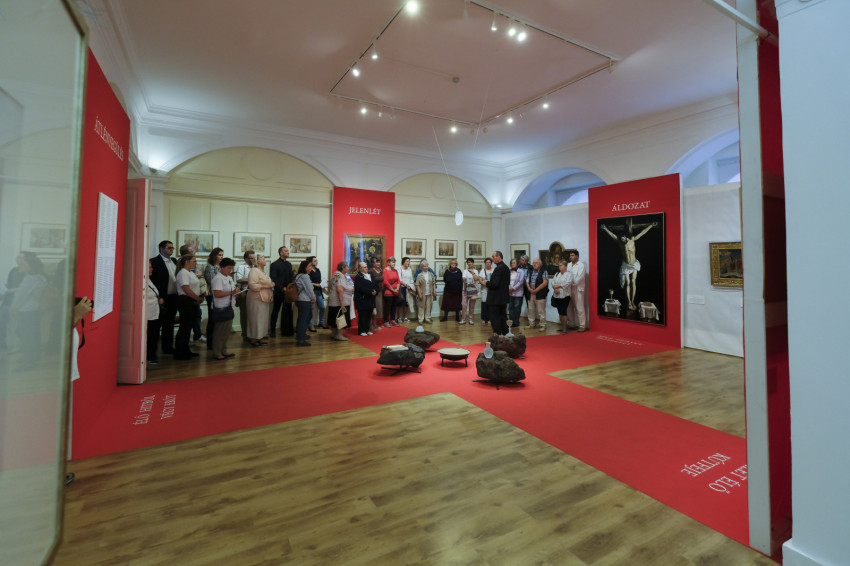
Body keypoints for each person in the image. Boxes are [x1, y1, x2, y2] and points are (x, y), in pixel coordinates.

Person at [600, 222, 657, 310]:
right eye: (621, 240)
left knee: (633, 282)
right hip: (626, 265)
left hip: (634, 264)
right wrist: (605, 229)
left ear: (626, 237)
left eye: (623, 239)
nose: (623, 241)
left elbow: (642, 233)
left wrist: (651, 225)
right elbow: (613, 236)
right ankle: (629, 302)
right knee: (628, 283)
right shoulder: (620, 243)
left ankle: (633, 301)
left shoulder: (632, 240)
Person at [10, 252, 47, 369]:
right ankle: (33, 359)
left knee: (26, 337)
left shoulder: (30, 279)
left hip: (26, 311)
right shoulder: (40, 277)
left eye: (24, 264)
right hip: (35, 310)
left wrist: (13, 308)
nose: (21, 266)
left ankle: (28, 362)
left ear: (31, 266)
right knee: (33, 336)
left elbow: (21, 296)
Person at [149, 240, 178, 355]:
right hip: (162, 298)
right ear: (161, 249)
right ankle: (153, 351)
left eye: (172, 248)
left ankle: (168, 347)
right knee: (157, 324)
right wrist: (158, 296)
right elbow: (152, 280)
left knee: (169, 323)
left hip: (174, 297)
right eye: (169, 248)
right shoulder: (154, 261)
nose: (171, 250)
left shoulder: (174, 261)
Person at [210, 257, 240, 360]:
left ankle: (223, 350)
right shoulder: (218, 278)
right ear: (222, 267)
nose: (230, 270)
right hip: (221, 307)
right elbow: (217, 294)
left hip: (229, 306)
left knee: (226, 332)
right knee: (219, 332)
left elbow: (231, 291)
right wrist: (232, 292)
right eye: (228, 268)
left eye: (231, 268)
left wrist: (236, 292)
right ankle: (217, 352)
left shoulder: (229, 278)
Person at [174, 254, 202, 360]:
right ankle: (179, 352)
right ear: (187, 262)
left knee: (188, 327)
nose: (196, 263)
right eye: (194, 261)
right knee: (184, 327)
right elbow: (186, 289)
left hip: (191, 301)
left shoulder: (190, 273)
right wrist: (197, 298)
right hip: (185, 301)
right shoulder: (182, 273)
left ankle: (185, 350)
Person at [247, 254, 274, 347]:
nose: (265, 260)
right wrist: (268, 286)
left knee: (262, 320)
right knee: (256, 319)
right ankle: (254, 340)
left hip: (264, 298)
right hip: (256, 298)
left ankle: (259, 338)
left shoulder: (262, 272)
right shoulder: (254, 271)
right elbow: (252, 285)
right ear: (257, 261)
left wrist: (271, 285)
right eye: (263, 258)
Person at [0, 253, 25, 352]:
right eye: (17, 257)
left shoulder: (28, 273)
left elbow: (24, 287)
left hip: (18, 302)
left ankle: (17, 346)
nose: (17, 259)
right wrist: (4, 289)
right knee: (2, 322)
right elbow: (9, 284)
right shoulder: (13, 270)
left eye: (20, 257)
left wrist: (13, 290)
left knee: (15, 325)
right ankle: (2, 343)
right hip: (8, 301)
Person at [269, 246, 294, 337]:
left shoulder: (289, 264)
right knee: (276, 310)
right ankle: (272, 330)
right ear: (281, 253)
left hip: (288, 292)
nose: (288, 252)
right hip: (278, 292)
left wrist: (290, 287)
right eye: (286, 251)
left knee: (288, 310)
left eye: (288, 250)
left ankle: (286, 330)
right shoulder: (274, 264)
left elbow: (291, 277)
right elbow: (274, 279)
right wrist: (282, 288)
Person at [484, 251, 510, 335]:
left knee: (495, 318)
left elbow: (495, 284)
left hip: (495, 298)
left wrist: (486, 283)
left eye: (493, 256)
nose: (492, 258)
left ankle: (497, 335)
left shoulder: (499, 268)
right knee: (503, 317)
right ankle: (505, 334)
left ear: (499, 257)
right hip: (502, 298)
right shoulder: (506, 267)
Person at [203, 247, 224, 350]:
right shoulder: (209, 267)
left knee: (220, 320)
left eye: (222, 255)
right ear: (214, 256)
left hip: (222, 295)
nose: (221, 257)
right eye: (219, 255)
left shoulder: (222, 267)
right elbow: (212, 282)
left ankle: (218, 342)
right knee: (213, 319)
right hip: (212, 295)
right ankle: (210, 343)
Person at [327, 261, 354, 341]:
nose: (348, 268)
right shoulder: (340, 276)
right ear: (343, 268)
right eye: (347, 266)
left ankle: (334, 334)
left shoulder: (336, 274)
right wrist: (342, 303)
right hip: (340, 302)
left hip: (334, 301)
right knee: (340, 318)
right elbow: (339, 290)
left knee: (334, 318)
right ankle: (339, 335)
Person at [294, 259, 316, 346]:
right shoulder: (305, 276)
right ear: (305, 267)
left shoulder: (299, 275)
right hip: (304, 300)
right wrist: (313, 298)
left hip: (300, 300)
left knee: (302, 319)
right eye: (310, 266)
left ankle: (301, 335)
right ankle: (301, 340)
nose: (311, 267)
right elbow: (309, 290)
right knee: (304, 319)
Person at [234, 251, 255, 342]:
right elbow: (239, 279)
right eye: (251, 258)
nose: (254, 259)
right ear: (246, 259)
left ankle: (253, 333)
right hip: (245, 292)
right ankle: (245, 334)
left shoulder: (255, 267)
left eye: (254, 257)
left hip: (254, 293)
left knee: (253, 315)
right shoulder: (242, 267)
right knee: (245, 314)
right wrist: (252, 280)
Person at [146, 261, 164, 365]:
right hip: (148, 315)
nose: (151, 269)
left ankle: (152, 355)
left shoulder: (149, 280)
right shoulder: (141, 281)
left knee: (154, 336)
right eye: (149, 267)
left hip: (154, 313)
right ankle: (149, 356)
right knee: (150, 337)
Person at [525, 258, 550, 331]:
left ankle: (543, 325)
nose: (534, 264)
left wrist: (536, 290)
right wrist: (529, 289)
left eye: (536, 263)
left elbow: (545, 283)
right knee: (531, 310)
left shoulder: (544, 271)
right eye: (533, 263)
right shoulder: (530, 271)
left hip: (540, 294)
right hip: (531, 293)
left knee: (541, 311)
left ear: (540, 264)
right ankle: (531, 324)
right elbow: (527, 281)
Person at [354, 261, 376, 336]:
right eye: (365, 267)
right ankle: (361, 331)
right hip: (362, 299)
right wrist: (370, 292)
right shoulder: (358, 277)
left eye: (367, 267)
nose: (367, 268)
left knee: (369, 315)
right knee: (362, 315)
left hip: (370, 299)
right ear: (360, 268)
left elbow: (375, 284)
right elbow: (361, 288)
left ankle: (367, 329)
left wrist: (376, 291)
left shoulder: (369, 275)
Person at [568, 250, 587, 332]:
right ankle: (571, 324)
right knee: (569, 308)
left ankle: (582, 326)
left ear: (577, 256)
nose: (571, 257)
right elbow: (566, 275)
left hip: (578, 290)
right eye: (570, 255)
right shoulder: (568, 265)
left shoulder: (581, 265)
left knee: (580, 308)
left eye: (572, 255)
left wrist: (569, 282)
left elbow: (579, 278)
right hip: (569, 290)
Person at [551, 260, 572, 334]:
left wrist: (558, 286)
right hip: (556, 295)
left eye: (561, 265)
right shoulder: (557, 274)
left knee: (563, 312)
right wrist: (555, 288)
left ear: (565, 266)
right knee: (559, 312)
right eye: (559, 265)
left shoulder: (568, 274)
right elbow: (553, 282)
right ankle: (562, 327)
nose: (559, 267)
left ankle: (565, 329)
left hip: (565, 296)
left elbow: (567, 283)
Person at [460, 258, 482, 325]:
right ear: (467, 263)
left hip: (473, 291)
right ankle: (463, 319)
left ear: (473, 263)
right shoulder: (465, 271)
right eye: (468, 262)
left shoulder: (476, 271)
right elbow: (464, 279)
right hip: (465, 290)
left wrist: (472, 272)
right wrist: (471, 281)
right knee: (464, 305)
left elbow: (476, 279)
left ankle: (470, 319)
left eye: (471, 262)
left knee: (472, 306)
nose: (470, 263)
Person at [415, 259, 437, 324]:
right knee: (421, 306)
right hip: (422, 293)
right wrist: (419, 294)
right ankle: (421, 319)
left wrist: (434, 291)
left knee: (428, 306)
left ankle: (427, 318)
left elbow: (434, 283)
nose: (426, 267)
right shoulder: (419, 275)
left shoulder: (431, 274)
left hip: (430, 293)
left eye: (427, 266)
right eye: (424, 266)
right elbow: (417, 285)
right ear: (421, 267)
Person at [382, 257, 401, 328]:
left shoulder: (395, 270)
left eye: (394, 262)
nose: (394, 263)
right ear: (388, 263)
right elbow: (385, 282)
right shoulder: (385, 271)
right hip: (388, 292)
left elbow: (398, 280)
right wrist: (393, 290)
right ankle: (386, 321)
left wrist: (397, 288)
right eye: (393, 262)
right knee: (387, 307)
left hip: (396, 292)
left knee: (394, 307)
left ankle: (393, 320)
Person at [309, 257, 327, 330]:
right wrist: (315, 284)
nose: (317, 262)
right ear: (311, 262)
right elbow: (307, 282)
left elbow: (319, 279)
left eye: (317, 260)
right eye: (315, 260)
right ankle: (310, 325)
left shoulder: (318, 270)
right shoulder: (309, 270)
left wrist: (323, 282)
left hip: (319, 291)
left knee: (322, 307)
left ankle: (321, 323)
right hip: (312, 291)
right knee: (312, 309)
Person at [508, 258, 525, 329]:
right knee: (510, 307)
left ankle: (516, 322)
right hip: (510, 292)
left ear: (517, 263)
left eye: (514, 262)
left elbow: (521, 281)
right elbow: (507, 281)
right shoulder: (509, 271)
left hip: (518, 293)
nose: (512, 264)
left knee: (517, 308)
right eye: (511, 263)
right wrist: (509, 288)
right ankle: (511, 322)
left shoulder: (521, 271)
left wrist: (513, 288)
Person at [368, 258, 384, 331]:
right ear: (373, 263)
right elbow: (368, 282)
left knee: (377, 309)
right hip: (373, 293)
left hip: (379, 292)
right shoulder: (371, 271)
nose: (378, 264)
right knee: (373, 309)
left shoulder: (380, 270)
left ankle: (375, 324)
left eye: (379, 262)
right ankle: (371, 325)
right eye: (376, 262)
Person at [398, 257, 414, 323]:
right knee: (401, 303)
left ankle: (405, 317)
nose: (408, 263)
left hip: (409, 288)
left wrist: (411, 285)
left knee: (407, 303)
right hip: (402, 288)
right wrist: (406, 285)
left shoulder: (409, 269)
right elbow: (399, 280)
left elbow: (411, 279)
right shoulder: (400, 269)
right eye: (407, 261)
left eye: (409, 261)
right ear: (403, 262)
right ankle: (399, 317)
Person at [478, 257, 494, 325]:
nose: (488, 263)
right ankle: (484, 318)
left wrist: (490, 286)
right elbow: (480, 280)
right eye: (487, 262)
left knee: (491, 304)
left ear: (491, 263)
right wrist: (486, 285)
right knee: (484, 303)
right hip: (484, 289)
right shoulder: (482, 271)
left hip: (492, 289)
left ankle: (491, 318)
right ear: (485, 263)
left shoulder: (494, 270)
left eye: (489, 262)